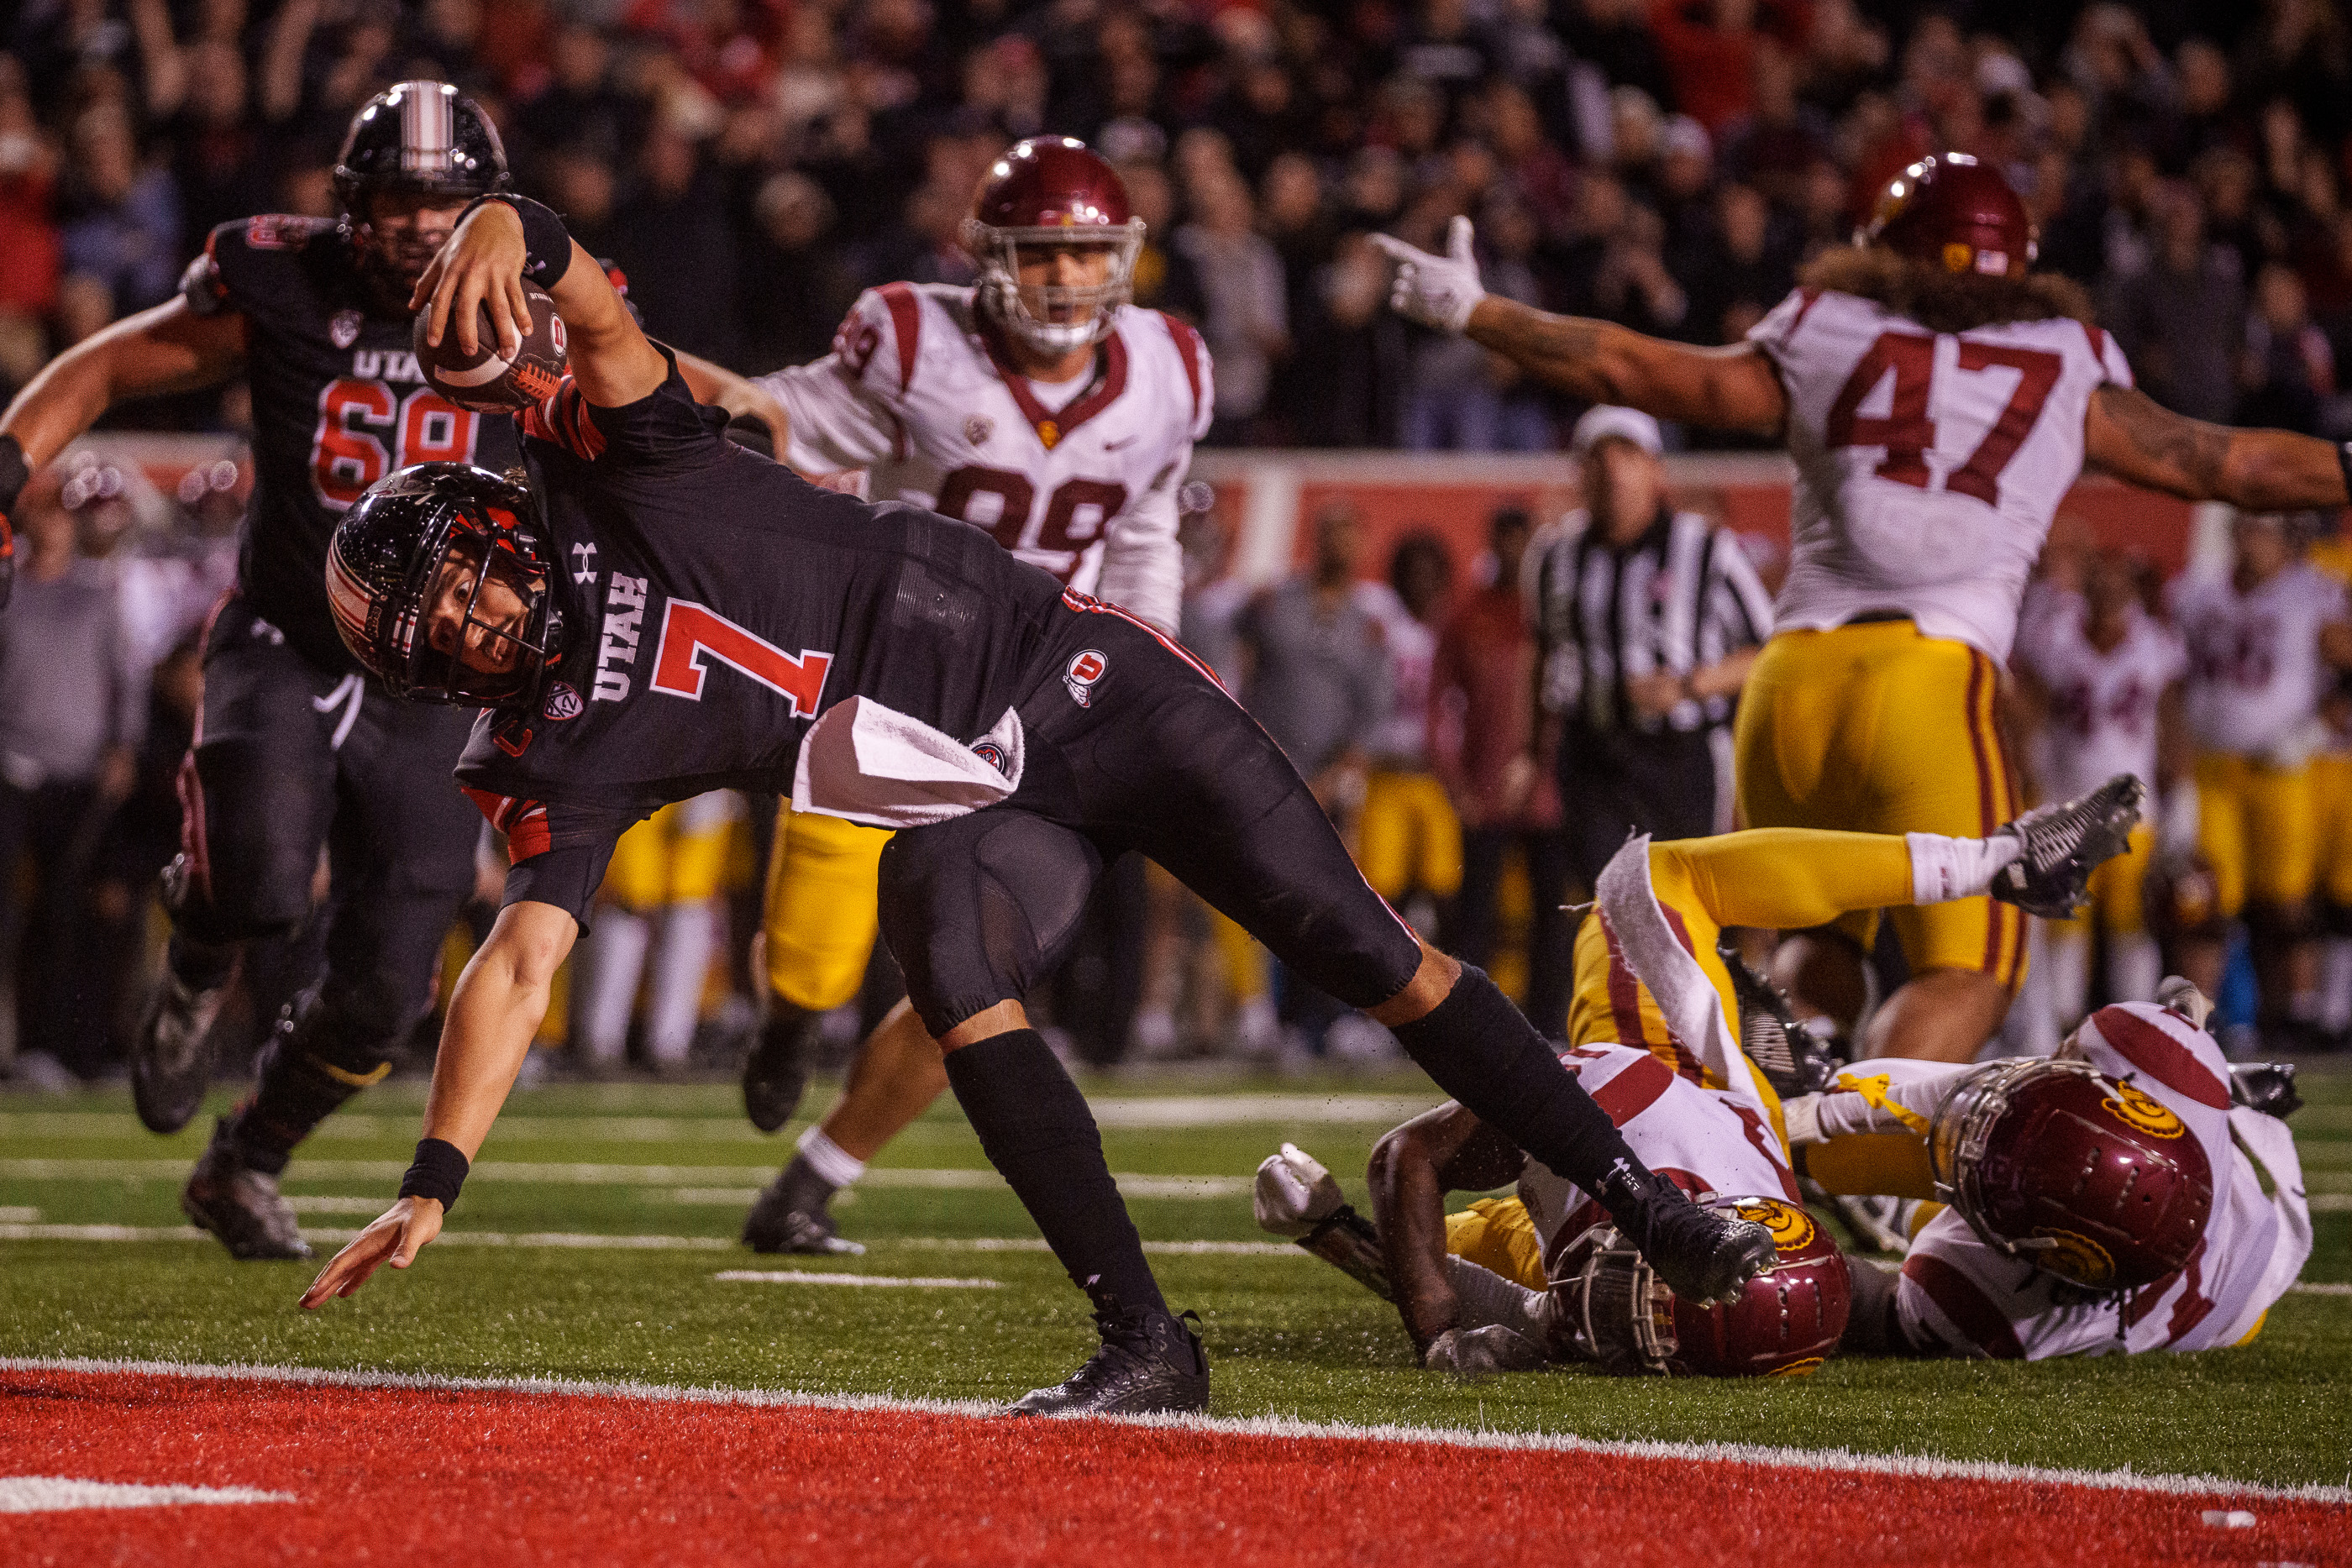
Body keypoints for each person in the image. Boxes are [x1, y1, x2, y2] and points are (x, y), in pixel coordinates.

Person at [295, 188, 1785, 1417]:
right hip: (988, 790)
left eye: (467, 590)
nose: (475, 630)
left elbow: (602, 315)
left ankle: (1649, 1199)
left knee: (1368, 950)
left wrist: (508, 218)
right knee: (936, 923)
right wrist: (436, 1178)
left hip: (1082, 678)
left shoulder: (620, 463)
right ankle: (1148, 1339)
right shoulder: (548, 745)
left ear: (499, 526)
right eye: (438, 639)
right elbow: (522, 959)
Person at [0, 81, 777, 1261]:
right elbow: (108, 366)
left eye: (445, 202)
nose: (421, 226)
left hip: (439, 677)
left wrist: (747, 416)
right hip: (292, 633)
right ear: (352, 204)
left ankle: (247, 1158)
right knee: (261, 878)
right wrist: (8, 467)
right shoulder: (285, 285)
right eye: (400, 200)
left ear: (489, 208)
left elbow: (656, 372)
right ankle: (202, 951)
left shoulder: (524, 301)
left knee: (389, 984)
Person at [1374, 152, 2352, 1064]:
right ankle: (1843, 1149)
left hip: (1788, 682)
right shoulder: (2065, 354)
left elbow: (1632, 370)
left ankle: (1774, 1135)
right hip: (1926, 681)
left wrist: (1476, 310)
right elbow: (2230, 464)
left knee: (1817, 950)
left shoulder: (1825, 326)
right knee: (1969, 969)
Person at [733, 137, 1210, 1253]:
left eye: (1088, 255)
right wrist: (692, 410)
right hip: (893, 685)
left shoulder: (1170, 367)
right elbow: (781, 418)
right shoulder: (917, 340)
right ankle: (787, 1021)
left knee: (980, 970)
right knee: (815, 956)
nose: (1064, 280)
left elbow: (1142, 532)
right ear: (988, 258)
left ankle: (811, 1180)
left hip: (1038, 710)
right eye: (1041, 253)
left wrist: (1148, 668)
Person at [1254, 803, 2140, 1374]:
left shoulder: (1599, 1171)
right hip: (1715, 1099)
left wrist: (1349, 1252)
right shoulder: (1795, 1278)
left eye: (1639, 1317)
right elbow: (1902, 1307)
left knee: (1431, 1244)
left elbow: (1424, 1200)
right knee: (1641, 884)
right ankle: (1992, 867)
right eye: (1646, 1312)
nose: (1622, 1322)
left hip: (1643, 1128)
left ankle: (1974, 888)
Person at [1782, 987, 2309, 1361]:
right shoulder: (2171, 1065)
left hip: (2228, 1291)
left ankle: (1886, 1202)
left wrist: (1781, 1256)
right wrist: (1827, 1114)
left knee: (1946, 1135)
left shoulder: (1989, 1307)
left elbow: (1868, 1307)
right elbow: (2181, 1001)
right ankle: (1875, 1187)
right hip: (2234, 1254)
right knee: (1979, 1128)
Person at [1525, 405, 1773, 893]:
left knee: (1683, 909)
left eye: (1627, 454)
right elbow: (1542, 654)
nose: (1613, 469)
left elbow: (1770, 651)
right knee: (1609, 909)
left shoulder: (1706, 549)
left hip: (1681, 756)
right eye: (1598, 456)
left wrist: (1690, 684)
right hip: (1593, 755)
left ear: (1655, 469)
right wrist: (1531, 751)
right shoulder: (1555, 556)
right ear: (1581, 473)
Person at [2170, 511, 2352, 1046]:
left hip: (2283, 767)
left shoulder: (2312, 592)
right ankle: (2193, 1019)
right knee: (2201, 900)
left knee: (2286, 904)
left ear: (2285, 539)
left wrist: (2317, 729)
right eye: (2245, 530)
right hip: (2213, 767)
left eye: (2262, 531)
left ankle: (2293, 1016)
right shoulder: (2199, 591)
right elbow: (2172, 678)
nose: (2251, 542)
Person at [2011, 548, 2191, 1028]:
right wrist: (2031, 781)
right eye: (2101, 583)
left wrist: (2183, 806)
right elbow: (2029, 718)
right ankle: (2067, 1025)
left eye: (2118, 585)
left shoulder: (2155, 645)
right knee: (2065, 926)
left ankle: (2139, 1023)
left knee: (2133, 923)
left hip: (2134, 812)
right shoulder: (2057, 642)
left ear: (2133, 592)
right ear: (2086, 589)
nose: (2110, 594)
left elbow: (2172, 728)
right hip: (2069, 809)